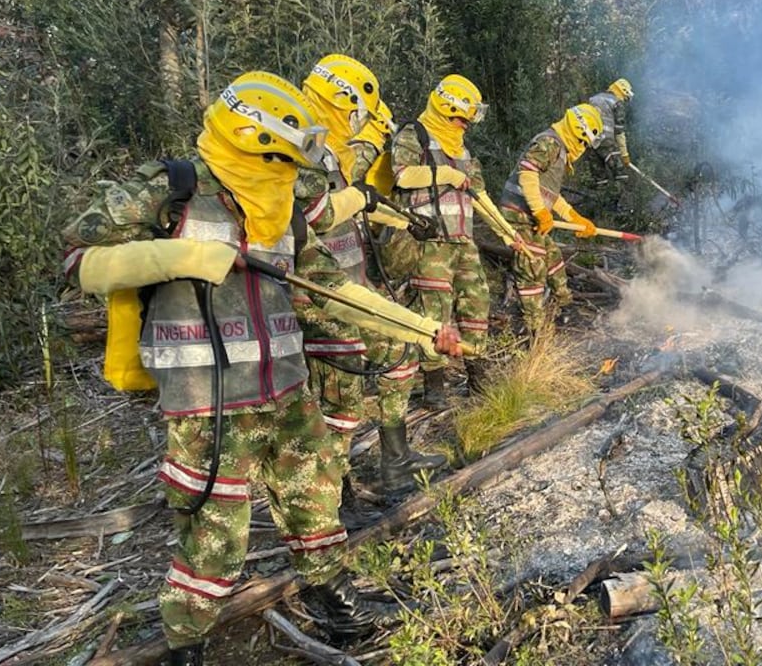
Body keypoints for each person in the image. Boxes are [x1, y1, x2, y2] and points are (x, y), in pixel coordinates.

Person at [61, 71, 461, 665]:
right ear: (254, 142)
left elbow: (335, 293)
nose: (291, 179)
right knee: (216, 538)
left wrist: (425, 331)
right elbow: (76, 259)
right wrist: (179, 257)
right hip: (208, 399)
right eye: (282, 162)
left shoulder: (283, 212)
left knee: (316, 499)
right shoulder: (170, 192)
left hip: (288, 387)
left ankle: (336, 604)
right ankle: (187, 644)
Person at [296, 55, 446, 500]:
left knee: (400, 352)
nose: (360, 122)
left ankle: (396, 465)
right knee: (339, 404)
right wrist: (359, 197)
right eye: (358, 111)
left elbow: (356, 199)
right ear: (343, 100)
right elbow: (313, 217)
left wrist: (406, 223)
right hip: (316, 294)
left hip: (352, 283)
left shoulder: (324, 148)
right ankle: (332, 500)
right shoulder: (299, 145)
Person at [388, 74, 519, 402]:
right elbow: (402, 176)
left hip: (463, 242)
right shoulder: (414, 134)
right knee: (434, 314)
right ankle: (435, 387)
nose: (467, 124)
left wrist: (509, 233)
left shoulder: (462, 148)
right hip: (430, 244)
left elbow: (479, 194)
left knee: (476, 305)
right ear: (447, 109)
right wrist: (447, 174)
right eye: (464, 117)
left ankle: (478, 378)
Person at [498, 103, 605, 331]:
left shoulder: (559, 149)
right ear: (578, 131)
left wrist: (574, 217)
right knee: (532, 267)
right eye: (584, 141)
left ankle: (565, 310)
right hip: (519, 214)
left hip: (530, 214)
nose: (583, 147)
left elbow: (550, 195)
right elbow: (527, 173)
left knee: (554, 259)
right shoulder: (550, 142)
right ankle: (532, 330)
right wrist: (539, 211)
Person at [586, 78, 634, 185]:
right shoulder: (617, 103)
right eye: (625, 98)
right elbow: (619, 132)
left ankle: (600, 198)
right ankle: (621, 199)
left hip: (590, 142)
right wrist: (624, 154)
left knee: (599, 179)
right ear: (623, 91)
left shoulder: (593, 99)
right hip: (606, 142)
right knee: (621, 176)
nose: (624, 100)